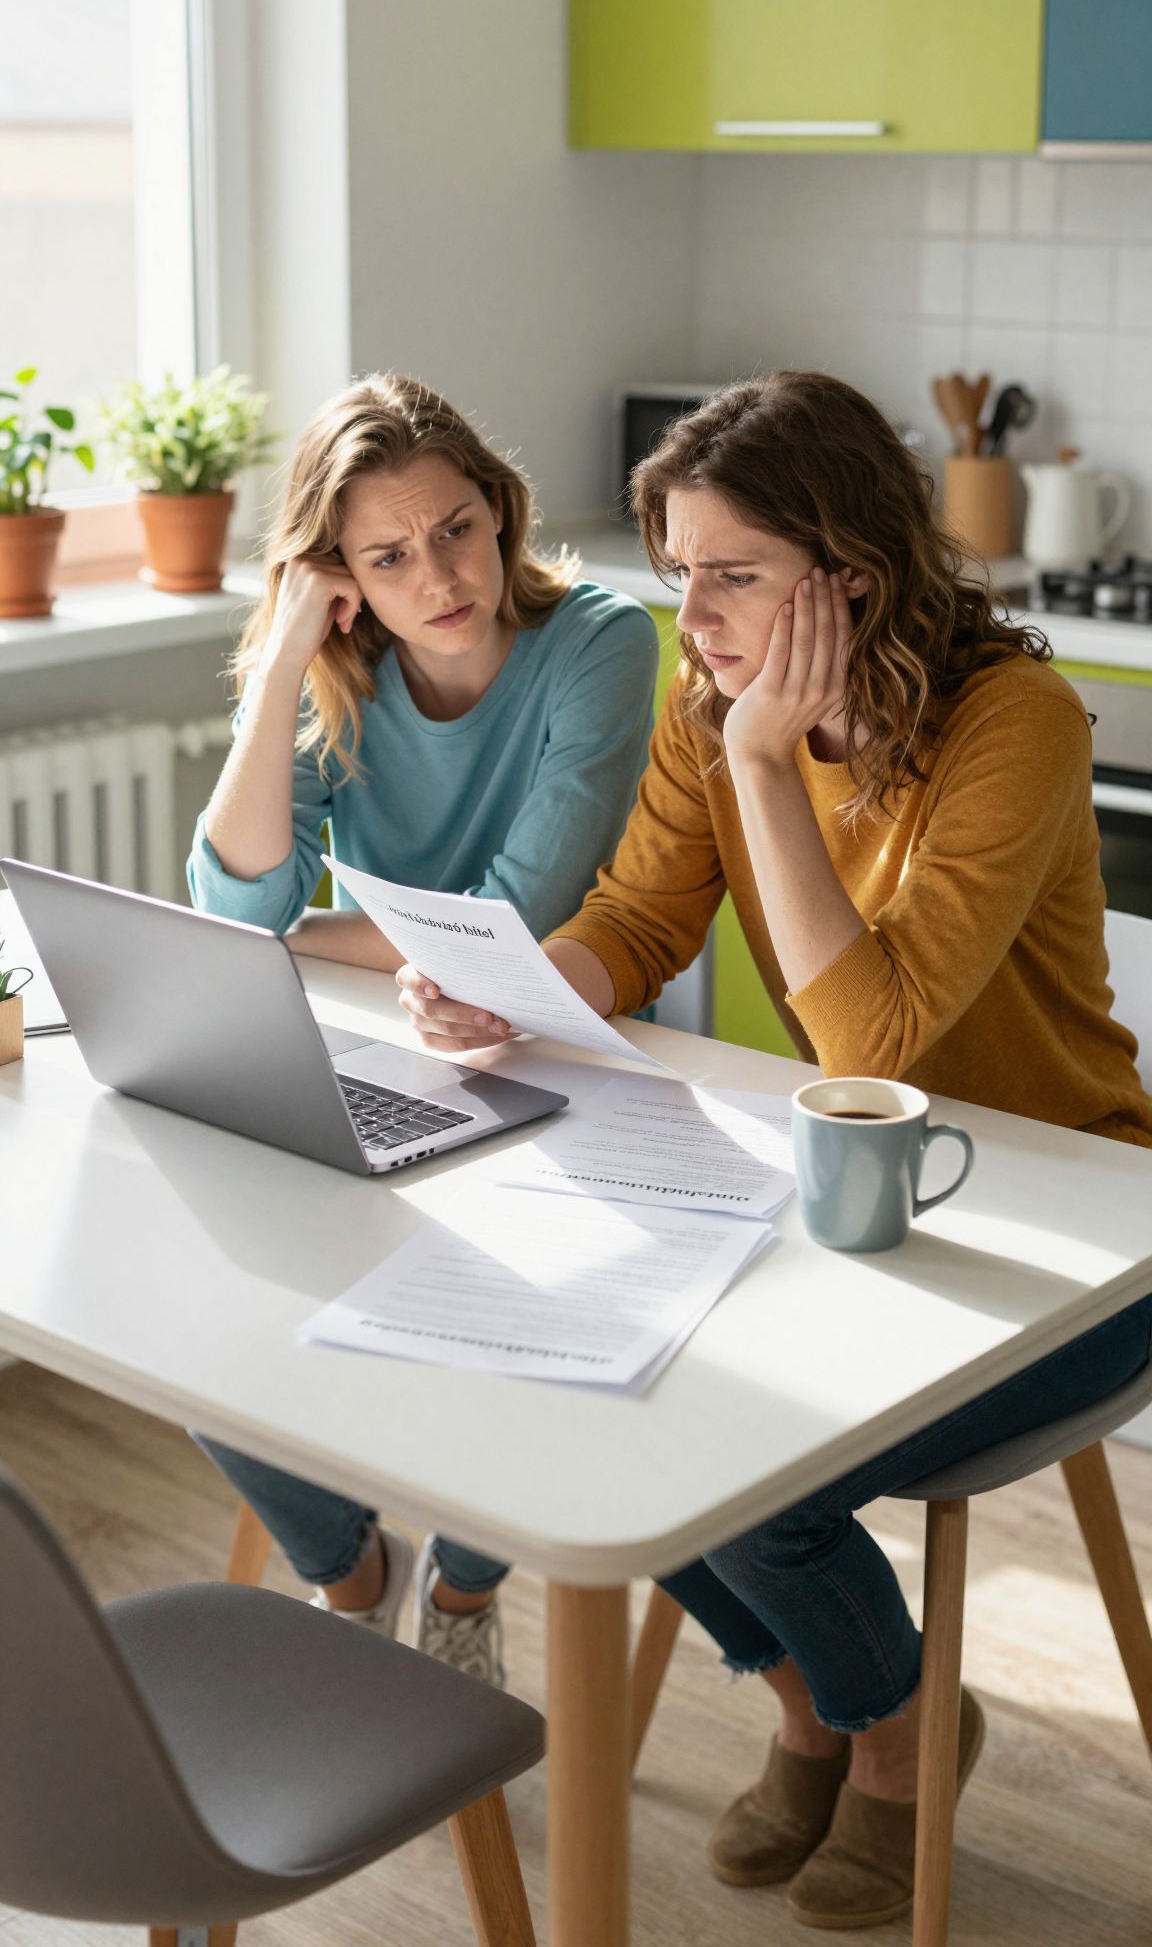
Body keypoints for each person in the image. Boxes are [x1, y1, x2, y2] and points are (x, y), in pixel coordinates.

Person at [395, 372, 1152, 1925]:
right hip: (859, 1191)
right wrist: (518, 991)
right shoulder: (711, 697)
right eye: (681, 573)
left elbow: (876, 1039)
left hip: (1080, 1233)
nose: (701, 611)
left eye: (734, 575)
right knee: (608, 1393)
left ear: (849, 573)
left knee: (745, 1466)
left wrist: (761, 760)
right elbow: (643, 917)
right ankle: (819, 1704)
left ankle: (900, 1738)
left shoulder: (1014, 724)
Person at [186, 372, 658, 1685]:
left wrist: (307, 936)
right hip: (379, 1033)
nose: (440, 575)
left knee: (512, 1322)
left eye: (457, 527)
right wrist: (284, 655)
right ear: (337, 575)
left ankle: (463, 1574)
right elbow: (233, 900)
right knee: (190, 1289)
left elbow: (521, 912)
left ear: (500, 514)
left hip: (565, 1053)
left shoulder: (602, 643)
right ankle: (352, 1571)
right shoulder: (336, 668)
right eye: (388, 556)